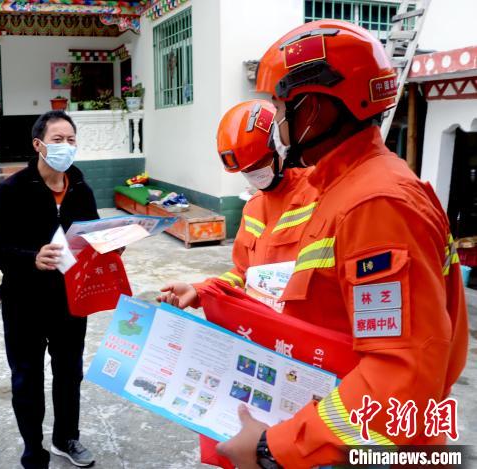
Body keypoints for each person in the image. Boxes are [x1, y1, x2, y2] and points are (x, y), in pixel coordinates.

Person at [217, 20, 469, 468]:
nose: (278, 125)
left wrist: (272, 448)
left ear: (313, 109)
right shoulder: (342, 189)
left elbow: (399, 377)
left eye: (281, 108)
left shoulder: (375, 204)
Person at [0, 110, 98, 469]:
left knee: (69, 373)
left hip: (71, 300)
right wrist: (31, 258)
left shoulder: (81, 190)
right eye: (57, 139)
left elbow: (93, 237)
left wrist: (112, 245)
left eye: (71, 139)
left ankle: (66, 438)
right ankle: (33, 450)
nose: (66, 146)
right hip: (24, 302)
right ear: (38, 144)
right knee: (27, 378)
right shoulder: (12, 191)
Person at [157, 99, 317, 309]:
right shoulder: (254, 207)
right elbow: (242, 274)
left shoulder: (319, 192)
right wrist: (198, 291)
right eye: (245, 170)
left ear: (279, 148)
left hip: (303, 324)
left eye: (258, 164)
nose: (252, 174)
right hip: (266, 323)